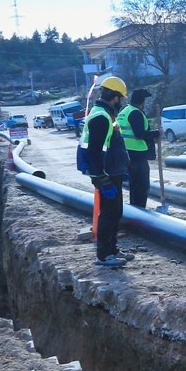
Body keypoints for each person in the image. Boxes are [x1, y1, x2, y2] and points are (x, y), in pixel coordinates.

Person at [79, 76, 133, 268]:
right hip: (106, 175)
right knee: (108, 215)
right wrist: (101, 178)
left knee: (115, 213)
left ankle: (112, 250)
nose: (122, 102)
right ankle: (104, 255)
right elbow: (94, 151)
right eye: (121, 98)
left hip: (112, 172)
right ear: (115, 97)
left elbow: (111, 144)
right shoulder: (101, 117)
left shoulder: (106, 114)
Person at [117, 88, 158, 208]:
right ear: (142, 102)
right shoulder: (136, 113)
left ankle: (135, 211)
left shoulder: (125, 111)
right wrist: (156, 133)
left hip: (126, 153)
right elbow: (140, 134)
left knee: (134, 186)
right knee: (142, 186)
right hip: (137, 154)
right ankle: (139, 212)